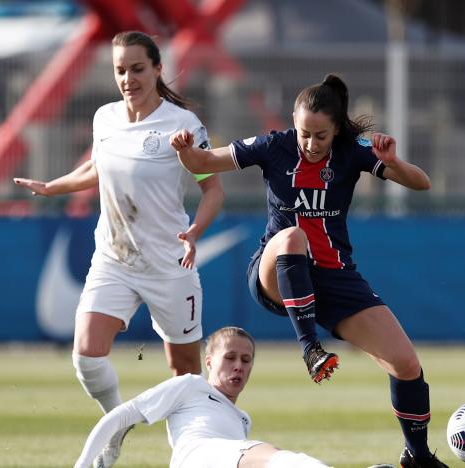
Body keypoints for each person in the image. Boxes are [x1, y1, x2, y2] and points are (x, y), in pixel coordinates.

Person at [171, 74, 448, 468]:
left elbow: (421, 183)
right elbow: (202, 161)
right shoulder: (273, 146)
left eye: (321, 136)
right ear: (293, 123)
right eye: (304, 134)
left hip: (335, 278)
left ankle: (417, 456)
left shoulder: (355, 152)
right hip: (275, 271)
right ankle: (310, 349)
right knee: (291, 237)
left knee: (406, 365)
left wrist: (391, 163)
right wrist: (185, 151)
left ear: (336, 130)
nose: (311, 144)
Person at [13, 31, 224, 466]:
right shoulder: (105, 117)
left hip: (169, 263)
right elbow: (97, 166)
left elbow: (213, 191)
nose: (128, 78)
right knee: (87, 356)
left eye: (137, 68)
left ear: (158, 69)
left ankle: (192, 453)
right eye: (120, 70)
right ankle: (116, 424)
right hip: (113, 259)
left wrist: (195, 233)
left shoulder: (182, 123)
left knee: (184, 374)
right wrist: (52, 187)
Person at [74, 326, 330, 468]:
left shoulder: (243, 420)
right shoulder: (190, 385)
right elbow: (119, 416)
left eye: (246, 359)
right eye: (230, 358)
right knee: (284, 460)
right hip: (200, 456)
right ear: (209, 362)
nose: (238, 365)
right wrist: (83, 465)